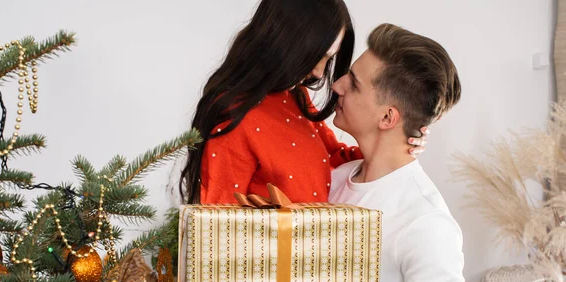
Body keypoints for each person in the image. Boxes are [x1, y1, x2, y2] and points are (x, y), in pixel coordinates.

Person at [254, 23, 468, 282]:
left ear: (388, 118)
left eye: (353, 82)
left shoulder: (423, 219)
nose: (336, 86)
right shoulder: (329, 179)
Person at [179, 0, 428, 206]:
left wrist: (396, 143)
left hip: (310, 259)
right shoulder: (234, 113)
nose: (320, 73)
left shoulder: (296, 98)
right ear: (284, 43)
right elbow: (217, 220)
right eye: (316, 57)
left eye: (328, 59)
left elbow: (333, 157)